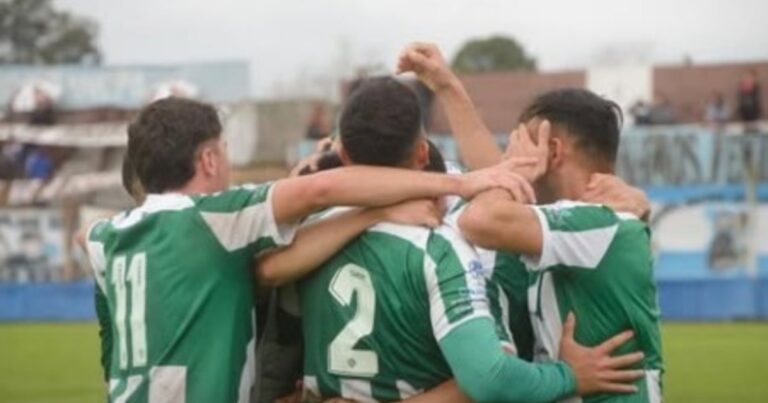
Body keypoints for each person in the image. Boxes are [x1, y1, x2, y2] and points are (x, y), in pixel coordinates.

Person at [84, 97, 531, 403]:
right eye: (225, 149)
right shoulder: (215, 219)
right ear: (208, 160)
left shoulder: (101, 238)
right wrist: (462, 182)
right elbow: (322, 188)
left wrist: (367, 216)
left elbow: (110, 350)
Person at [257, 78, 646, 402]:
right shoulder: (441, 248)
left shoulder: (307, 240)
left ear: (341, 153)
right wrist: (567, 376)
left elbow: (277, 321)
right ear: (423, 152)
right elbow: (488, 378)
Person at [400, 42, 662, 402]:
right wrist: (449, 89)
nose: (511, 157)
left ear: (551, 151)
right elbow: (494, 182)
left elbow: (482, 217)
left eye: (521, 144)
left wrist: (514, 169)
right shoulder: (570, 225)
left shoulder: (601, 224)